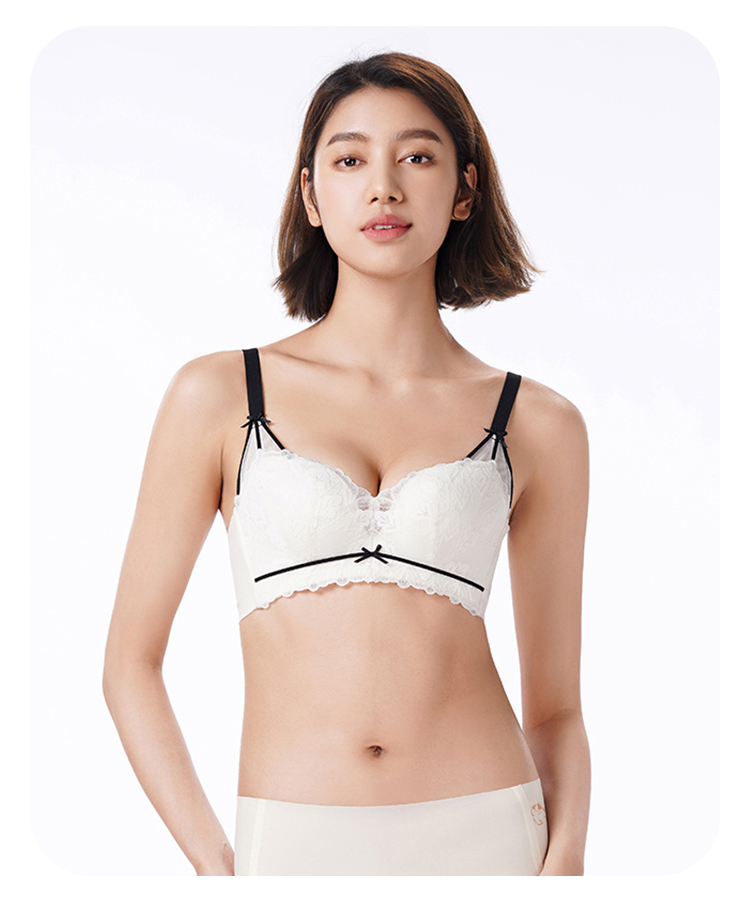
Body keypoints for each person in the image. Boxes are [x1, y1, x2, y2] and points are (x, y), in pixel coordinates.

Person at [103, 51, 591, 876]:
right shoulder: (219, 394)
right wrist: (217, 869)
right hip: (292, 838)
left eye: (418, 156)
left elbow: (556, 710)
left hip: (492, 832)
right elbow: (129, 666)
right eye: (350, 159)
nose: (384, 188)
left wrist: (566, 861)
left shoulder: (539, 423)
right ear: (311, 194)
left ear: (464, 191)